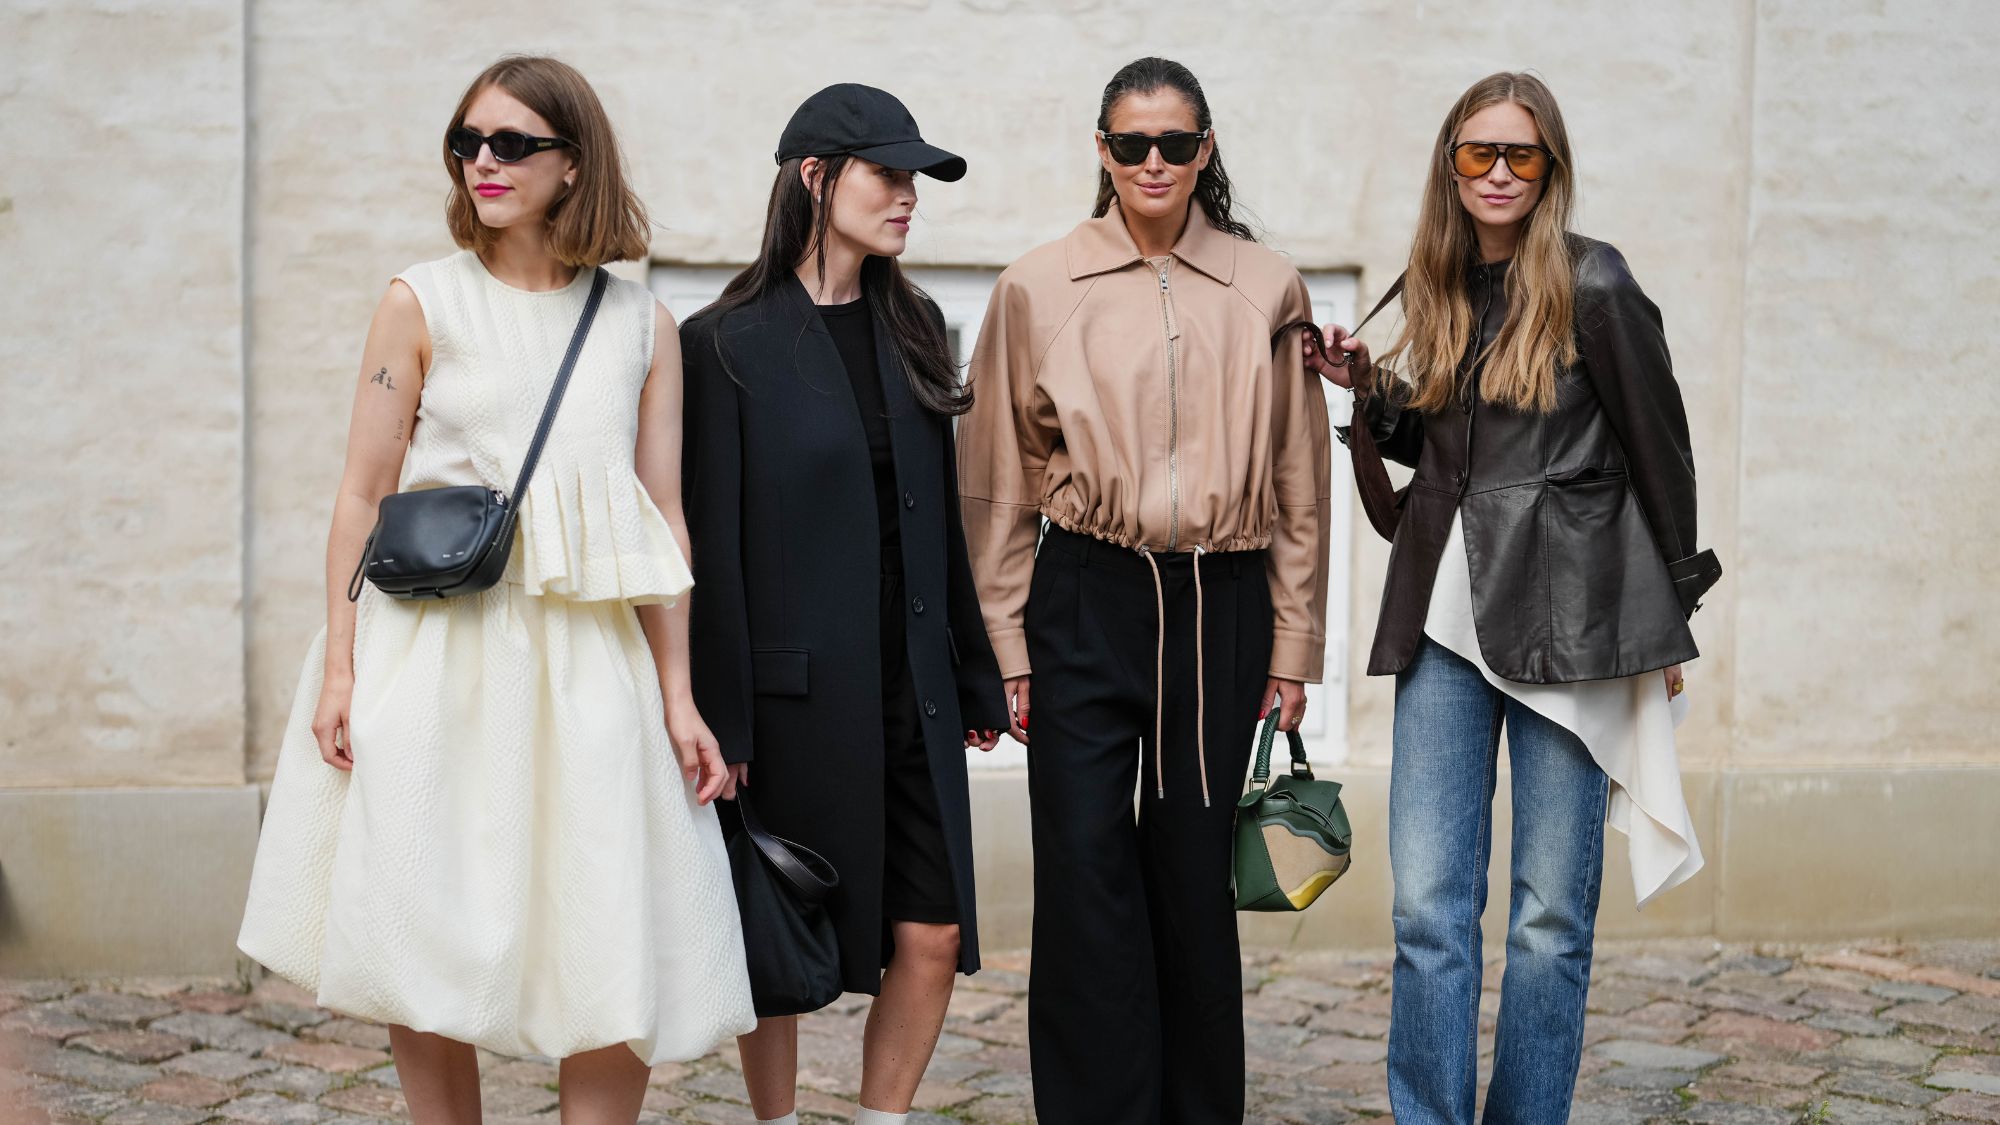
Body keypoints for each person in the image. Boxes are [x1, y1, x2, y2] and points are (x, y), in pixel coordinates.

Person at [237, 55, 754, 1125]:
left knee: (612, 919)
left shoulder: (639, 324)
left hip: (589, 660)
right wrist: (339, 668)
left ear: (573, 167)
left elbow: (661, 520)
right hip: (437, 651)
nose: (483, 161)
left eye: (512, 143)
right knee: (421, 916)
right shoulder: (419, 300)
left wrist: (678, 694)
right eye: (467, 141)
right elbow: (360, 495)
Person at [1306, 71, 1717, 1122]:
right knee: (1426, 910)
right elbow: (1446, 444)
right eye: (1477, 153)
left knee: (1546, 919)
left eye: (1518, 155)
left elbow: (1657, 453)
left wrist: (1671, 610)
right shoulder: (1438, 285)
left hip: (1572, 621)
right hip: (1442, 626)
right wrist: (1366, 392)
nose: (1496, 173)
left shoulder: (1596, 286)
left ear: (1549, 169)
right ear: (1449, 167)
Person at [957, 56, 1332, 1125]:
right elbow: (993, 484)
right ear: (1101, 150)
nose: (1153, 162)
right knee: (1080, 873)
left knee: (1189, 872)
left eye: (1174, 143)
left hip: (1223, 604)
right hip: (1083, 593)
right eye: (1131, 144)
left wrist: (1292, 644)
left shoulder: (1267, 285)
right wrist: (1008, 646)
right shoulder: (1036, 286)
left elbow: (1299, 475)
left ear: (1204, 150)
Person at [679, 84, 1007, 1125]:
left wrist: (970, 665)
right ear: (815, 180)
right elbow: (708, 548)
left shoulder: (914, 323)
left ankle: (880, 1119)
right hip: (783, 706)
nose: (908, 196)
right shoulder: (721, 342)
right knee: (771, 940)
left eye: (915, 178)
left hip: (906, 693)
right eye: (888, 173)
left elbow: (932, 518)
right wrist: (719, 719)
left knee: (935, 934)